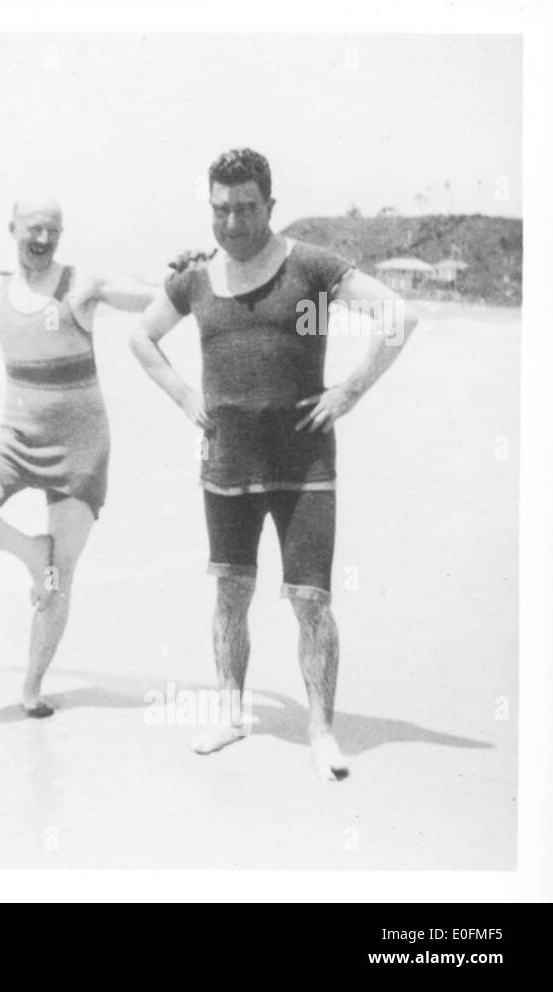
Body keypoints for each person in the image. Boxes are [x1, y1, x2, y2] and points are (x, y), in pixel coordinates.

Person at [130, 148, 418, 780]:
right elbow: (139, 337)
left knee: (310, 601)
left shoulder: (309, 268)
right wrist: (185, 398)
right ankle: (231, 713)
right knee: (230, 593)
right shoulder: (197, 278)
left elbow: (399, 315)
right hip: (225, 463)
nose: (233, 222)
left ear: (270, 206)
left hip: (303, 463)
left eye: (247, 208)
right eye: (221, 209)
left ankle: (320, 731)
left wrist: (350, 391)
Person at [0, 194, 159, 718]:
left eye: (53, 229)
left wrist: (191, 278)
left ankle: (31, 688)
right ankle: (30, 553)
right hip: (16, 440)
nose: (44, 239)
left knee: (61, 576)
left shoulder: (82, 286)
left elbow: (149, 296)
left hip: (80, 448)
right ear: (12, 228)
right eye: (34, 228)